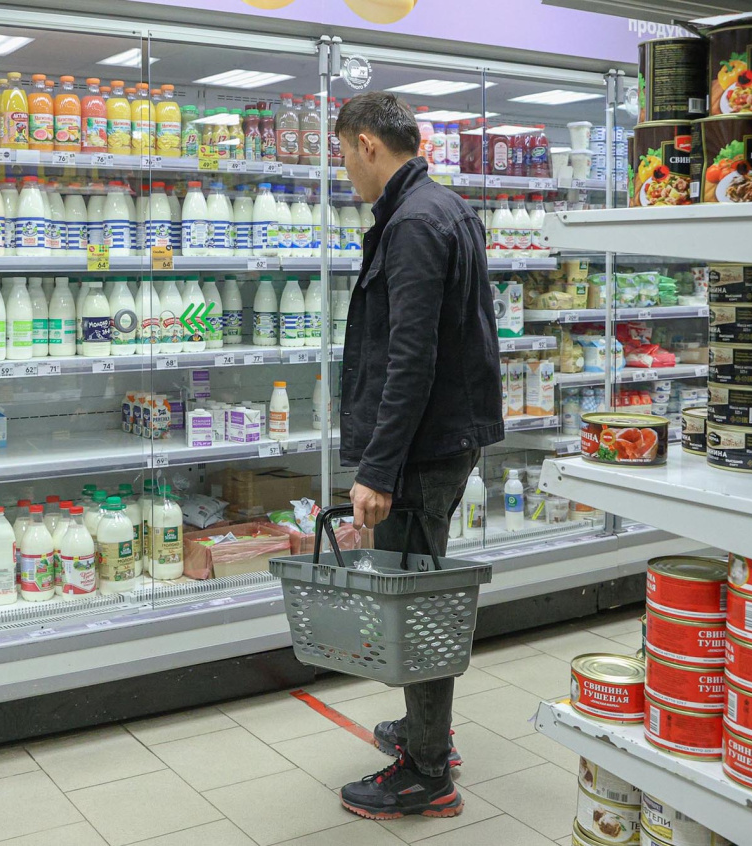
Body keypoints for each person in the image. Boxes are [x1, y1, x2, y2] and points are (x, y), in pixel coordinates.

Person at [333, 92, 504, 820]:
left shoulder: (411, 224)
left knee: (417, 604)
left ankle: (427, 772)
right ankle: (423, 729)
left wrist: (378, 469)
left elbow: (410, 359)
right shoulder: (444, 207)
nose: (344, 169)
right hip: (443, 439)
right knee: (420, 589)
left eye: (343, 154)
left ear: (368, 144)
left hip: (421, 449)